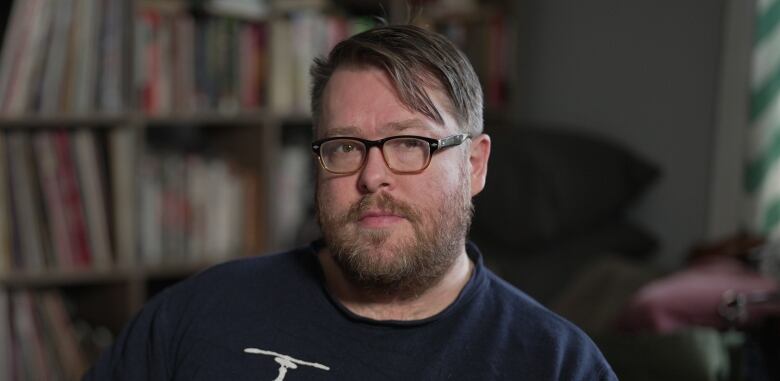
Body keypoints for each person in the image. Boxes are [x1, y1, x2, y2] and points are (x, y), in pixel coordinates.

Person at [84, 24, 617, 380]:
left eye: (411, 143)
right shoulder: (197, 314)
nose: (372, 176)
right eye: (344, 146)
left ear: (474, 165)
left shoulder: (555, 364)